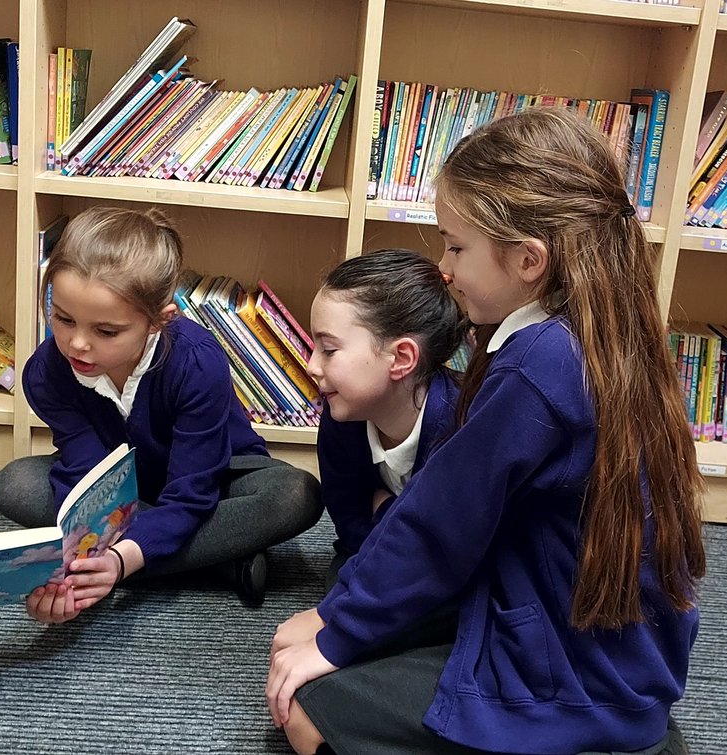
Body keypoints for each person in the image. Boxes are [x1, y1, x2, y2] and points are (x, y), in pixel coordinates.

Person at [266, 107, 704, 755]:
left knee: (305, 708)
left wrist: (336, 632)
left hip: (576, 669)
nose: (443, 266)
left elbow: (440, 526)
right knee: (306, 638)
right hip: (585, 635)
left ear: (528, 259)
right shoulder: (583, 334)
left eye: (456, 245)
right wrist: (344, 614)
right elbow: (438, 517)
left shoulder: (541, 365)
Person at [0, 205, 322, 623]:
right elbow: (89, 477)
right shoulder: (46, 374)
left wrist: (111, 560)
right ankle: (217, 560)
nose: (77, 344)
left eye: (105, 331)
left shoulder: (197, 361)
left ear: (158, 321)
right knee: (14, 485)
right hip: (126, 488)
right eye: (62, 318)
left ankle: (134, 562)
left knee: (296, 494)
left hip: (215, 476)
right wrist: (85, 556)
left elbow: (192, 491)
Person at [307, 250, 465, 591]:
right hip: (376, 551)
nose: (311, 366)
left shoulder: (461, 425)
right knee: (344, 583)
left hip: (449, 568)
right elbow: (347, 517)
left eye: (329, 350)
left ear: (401, 358)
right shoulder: (342, 413)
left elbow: (449, 545)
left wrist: (384, 507)